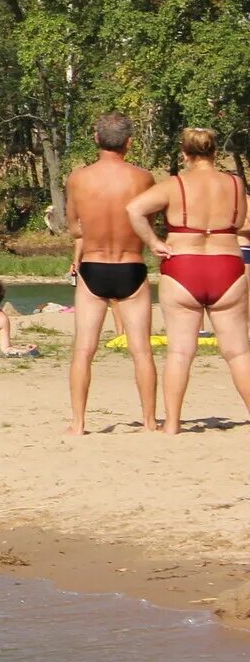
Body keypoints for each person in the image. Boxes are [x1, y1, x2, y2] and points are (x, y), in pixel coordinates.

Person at [126, 127, 250, 436]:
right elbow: (238, 222)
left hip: (183, 265)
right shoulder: (235, 185)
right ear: (215, 151)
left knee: (180, 352)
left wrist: (153, 242)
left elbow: (135, 209)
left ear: (185, 154)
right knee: (238, 353)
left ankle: (171, 424)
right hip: (227, 266)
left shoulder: (174, 185)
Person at [64, 112, 160, 435]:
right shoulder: (143, 178)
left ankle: (78, 424)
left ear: (96, 138)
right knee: (141, 351)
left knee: (83, 350)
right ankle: (149, 421)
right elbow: (150, 220)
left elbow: (73, 226)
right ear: (129, 143)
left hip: (93, 265)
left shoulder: (78, 178)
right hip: (131, 264)